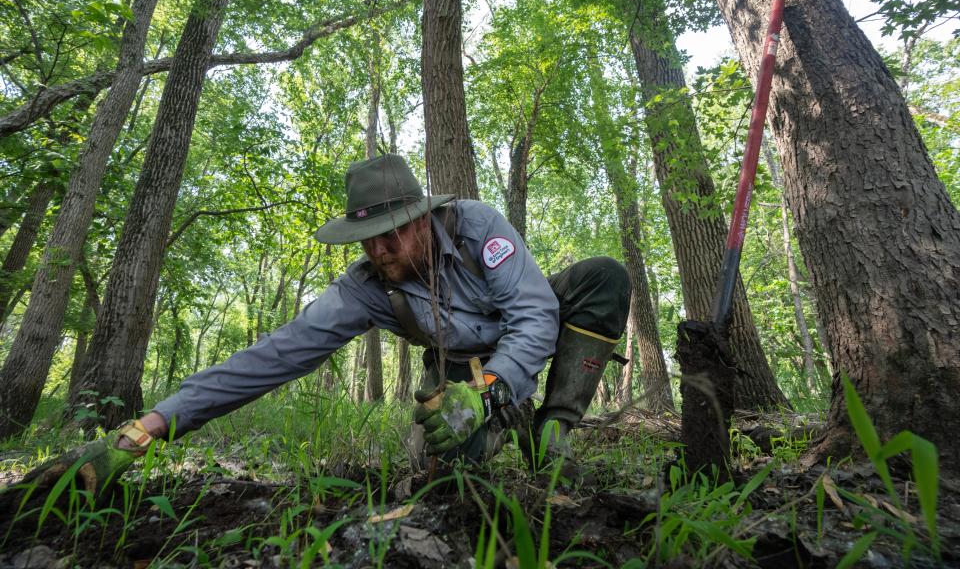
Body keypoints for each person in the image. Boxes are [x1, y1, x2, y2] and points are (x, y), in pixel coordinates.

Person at [18, 154, 630, 493]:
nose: (381, 250)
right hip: (451, 375)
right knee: (440, 480)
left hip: (511, 362)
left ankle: (552, 434)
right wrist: (143, 432)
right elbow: (273, 356)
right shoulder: (364, 290)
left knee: (603, 274)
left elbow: (534, 314)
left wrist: (493, 390)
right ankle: (482, 439)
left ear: (424, 218)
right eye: (367, 239)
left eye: (392, 233)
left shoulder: (476, 226)